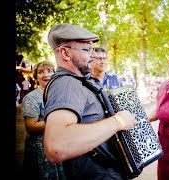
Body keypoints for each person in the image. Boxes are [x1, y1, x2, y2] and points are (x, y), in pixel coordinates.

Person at [43, 23, 137, 180]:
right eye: (87, 50)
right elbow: (56, 146)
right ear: (65, 53)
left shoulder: (79, 81)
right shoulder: (66, 83)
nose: (93, 56)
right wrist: (118, 121)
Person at [21, 61, 66, 179]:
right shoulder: (31, 98)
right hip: (41, 149)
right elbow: (31, 127)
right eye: (41, 72)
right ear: (36, 76)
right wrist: (58, 121)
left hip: (60, 145)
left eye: (49, 71)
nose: (46, 75)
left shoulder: (60, 94)